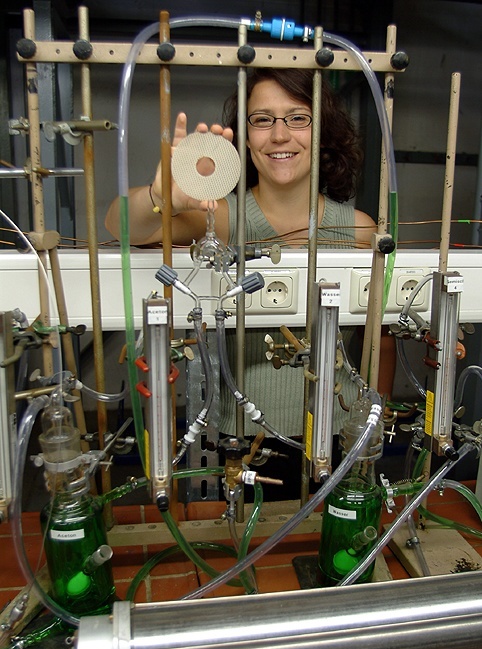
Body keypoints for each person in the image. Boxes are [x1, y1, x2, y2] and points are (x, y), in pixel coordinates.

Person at [105, 68, 376, 487]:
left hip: (338, 424)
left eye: (298, 117)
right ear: (246, 138)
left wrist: (379, 409)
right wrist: (162, 198)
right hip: (245, 438)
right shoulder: (221, 218)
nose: (280, 135)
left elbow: (385, 331)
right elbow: (122, 227)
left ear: (322, 132)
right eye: (262, 119)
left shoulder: (359, 230)